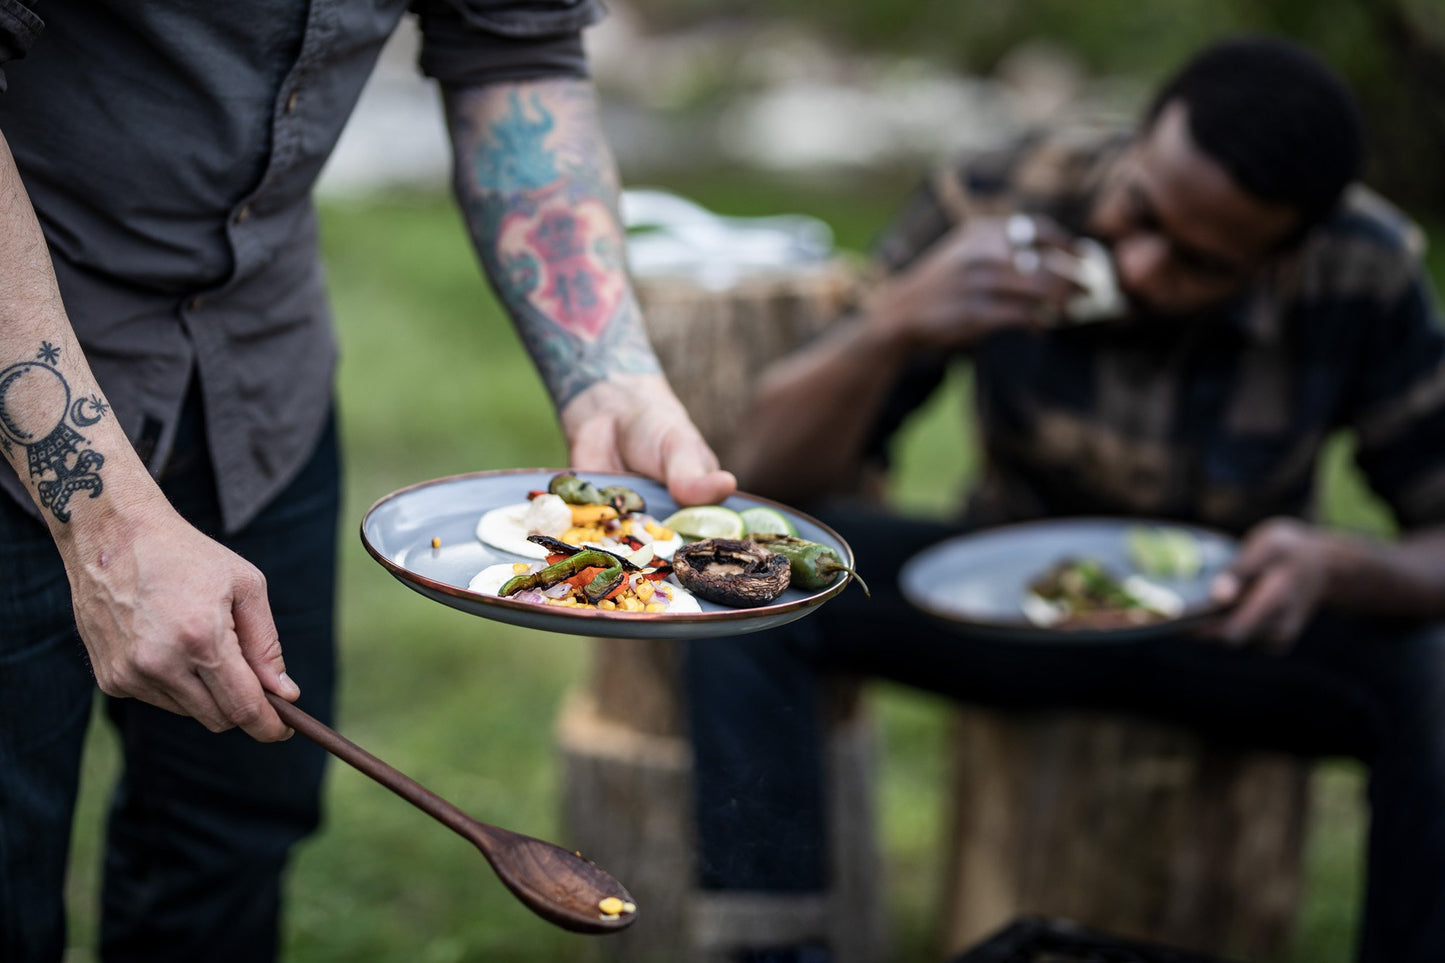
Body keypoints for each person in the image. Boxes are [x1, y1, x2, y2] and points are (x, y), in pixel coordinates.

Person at [0, 2, 735, 961]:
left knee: (231, 834)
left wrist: (608, 374)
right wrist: (103, 516)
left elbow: (516, 52)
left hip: (259, 380)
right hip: (26, 371)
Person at [687, 36, 1445, 963]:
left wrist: (1336, 565)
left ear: (1287, 252)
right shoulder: (997, 195)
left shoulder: (1364, 267)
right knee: (742, 568)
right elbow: (769, 469)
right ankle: (770, 950)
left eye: (1200, 263)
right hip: (997, 604)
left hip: (1229, 629)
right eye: (1140, 211)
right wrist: (894, 322)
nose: (1140, 263)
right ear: (1138, 143)